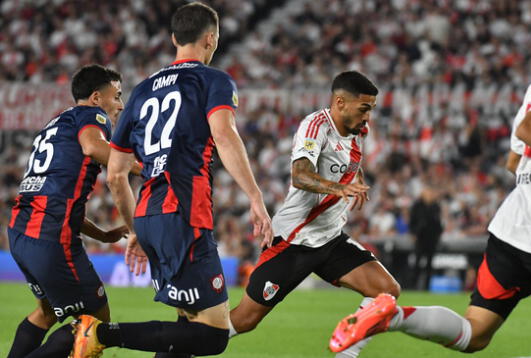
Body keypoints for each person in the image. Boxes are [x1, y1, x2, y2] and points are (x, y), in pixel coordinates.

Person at [329, 3, 531, 358]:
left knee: (474, 334)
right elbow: (530, 131)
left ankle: (390, 316)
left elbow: (514, 161)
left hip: (513, 231)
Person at [70, 2, 273, 357]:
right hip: (184, 213)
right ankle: (101, 333)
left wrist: (137, 229)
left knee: (186, 325)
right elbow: (224, 136)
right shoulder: (212, 80)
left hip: (150, 214)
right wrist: (255, 197)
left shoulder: (141, 91)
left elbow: (116, 175)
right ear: (210, 39)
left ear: (174, 38)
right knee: (212, 335)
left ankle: (101, 333)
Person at [227, 70, 401, 358]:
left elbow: (347, 162)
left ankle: (346, 353)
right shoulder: (315, 126)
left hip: (330, 239)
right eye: (364, 108)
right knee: (245, 320)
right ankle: (183, 345)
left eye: (371, 109)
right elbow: (300, 175)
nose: (368, 117)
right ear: (340, 102)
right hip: (294, 241)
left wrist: (356, 180)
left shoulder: (359, 131)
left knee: (386, 291)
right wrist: (338, 188)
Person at [7, 64, 139, 358]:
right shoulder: (94, 116)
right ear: (96, 97)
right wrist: (143, 168)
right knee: (95, 324)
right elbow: (94, 148)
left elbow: (57, 196)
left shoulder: (55, 124)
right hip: (51, 237)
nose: (120, 104)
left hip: (21, 232)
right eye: (116, 96)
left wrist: (103, 236)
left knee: (45, 312)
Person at [409, 185, 443, 290]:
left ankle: (427, 287)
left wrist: (438, 235)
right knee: (417, 263)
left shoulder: (435, 206)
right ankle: (413, 286)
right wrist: (413, 233)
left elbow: (437, 223)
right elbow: (412, 221)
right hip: (420, 238)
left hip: (432, 238)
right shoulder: (417, 205)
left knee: (429, 264)